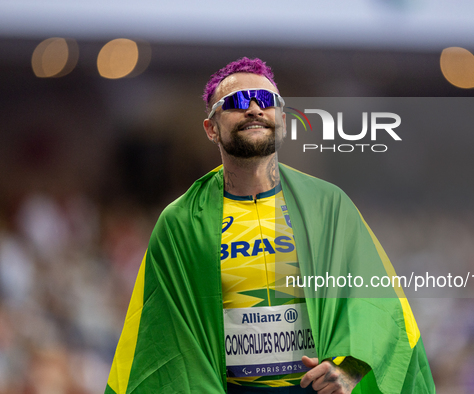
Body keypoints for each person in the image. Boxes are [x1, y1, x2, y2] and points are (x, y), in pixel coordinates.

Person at [105, 58, 435, 394]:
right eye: (234, 102)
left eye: (266, 101)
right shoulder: (180, 223)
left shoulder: (328, 206)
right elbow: (162, 340)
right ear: (211, 129)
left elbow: (376, 304)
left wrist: (349, 368)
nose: (252, 109)